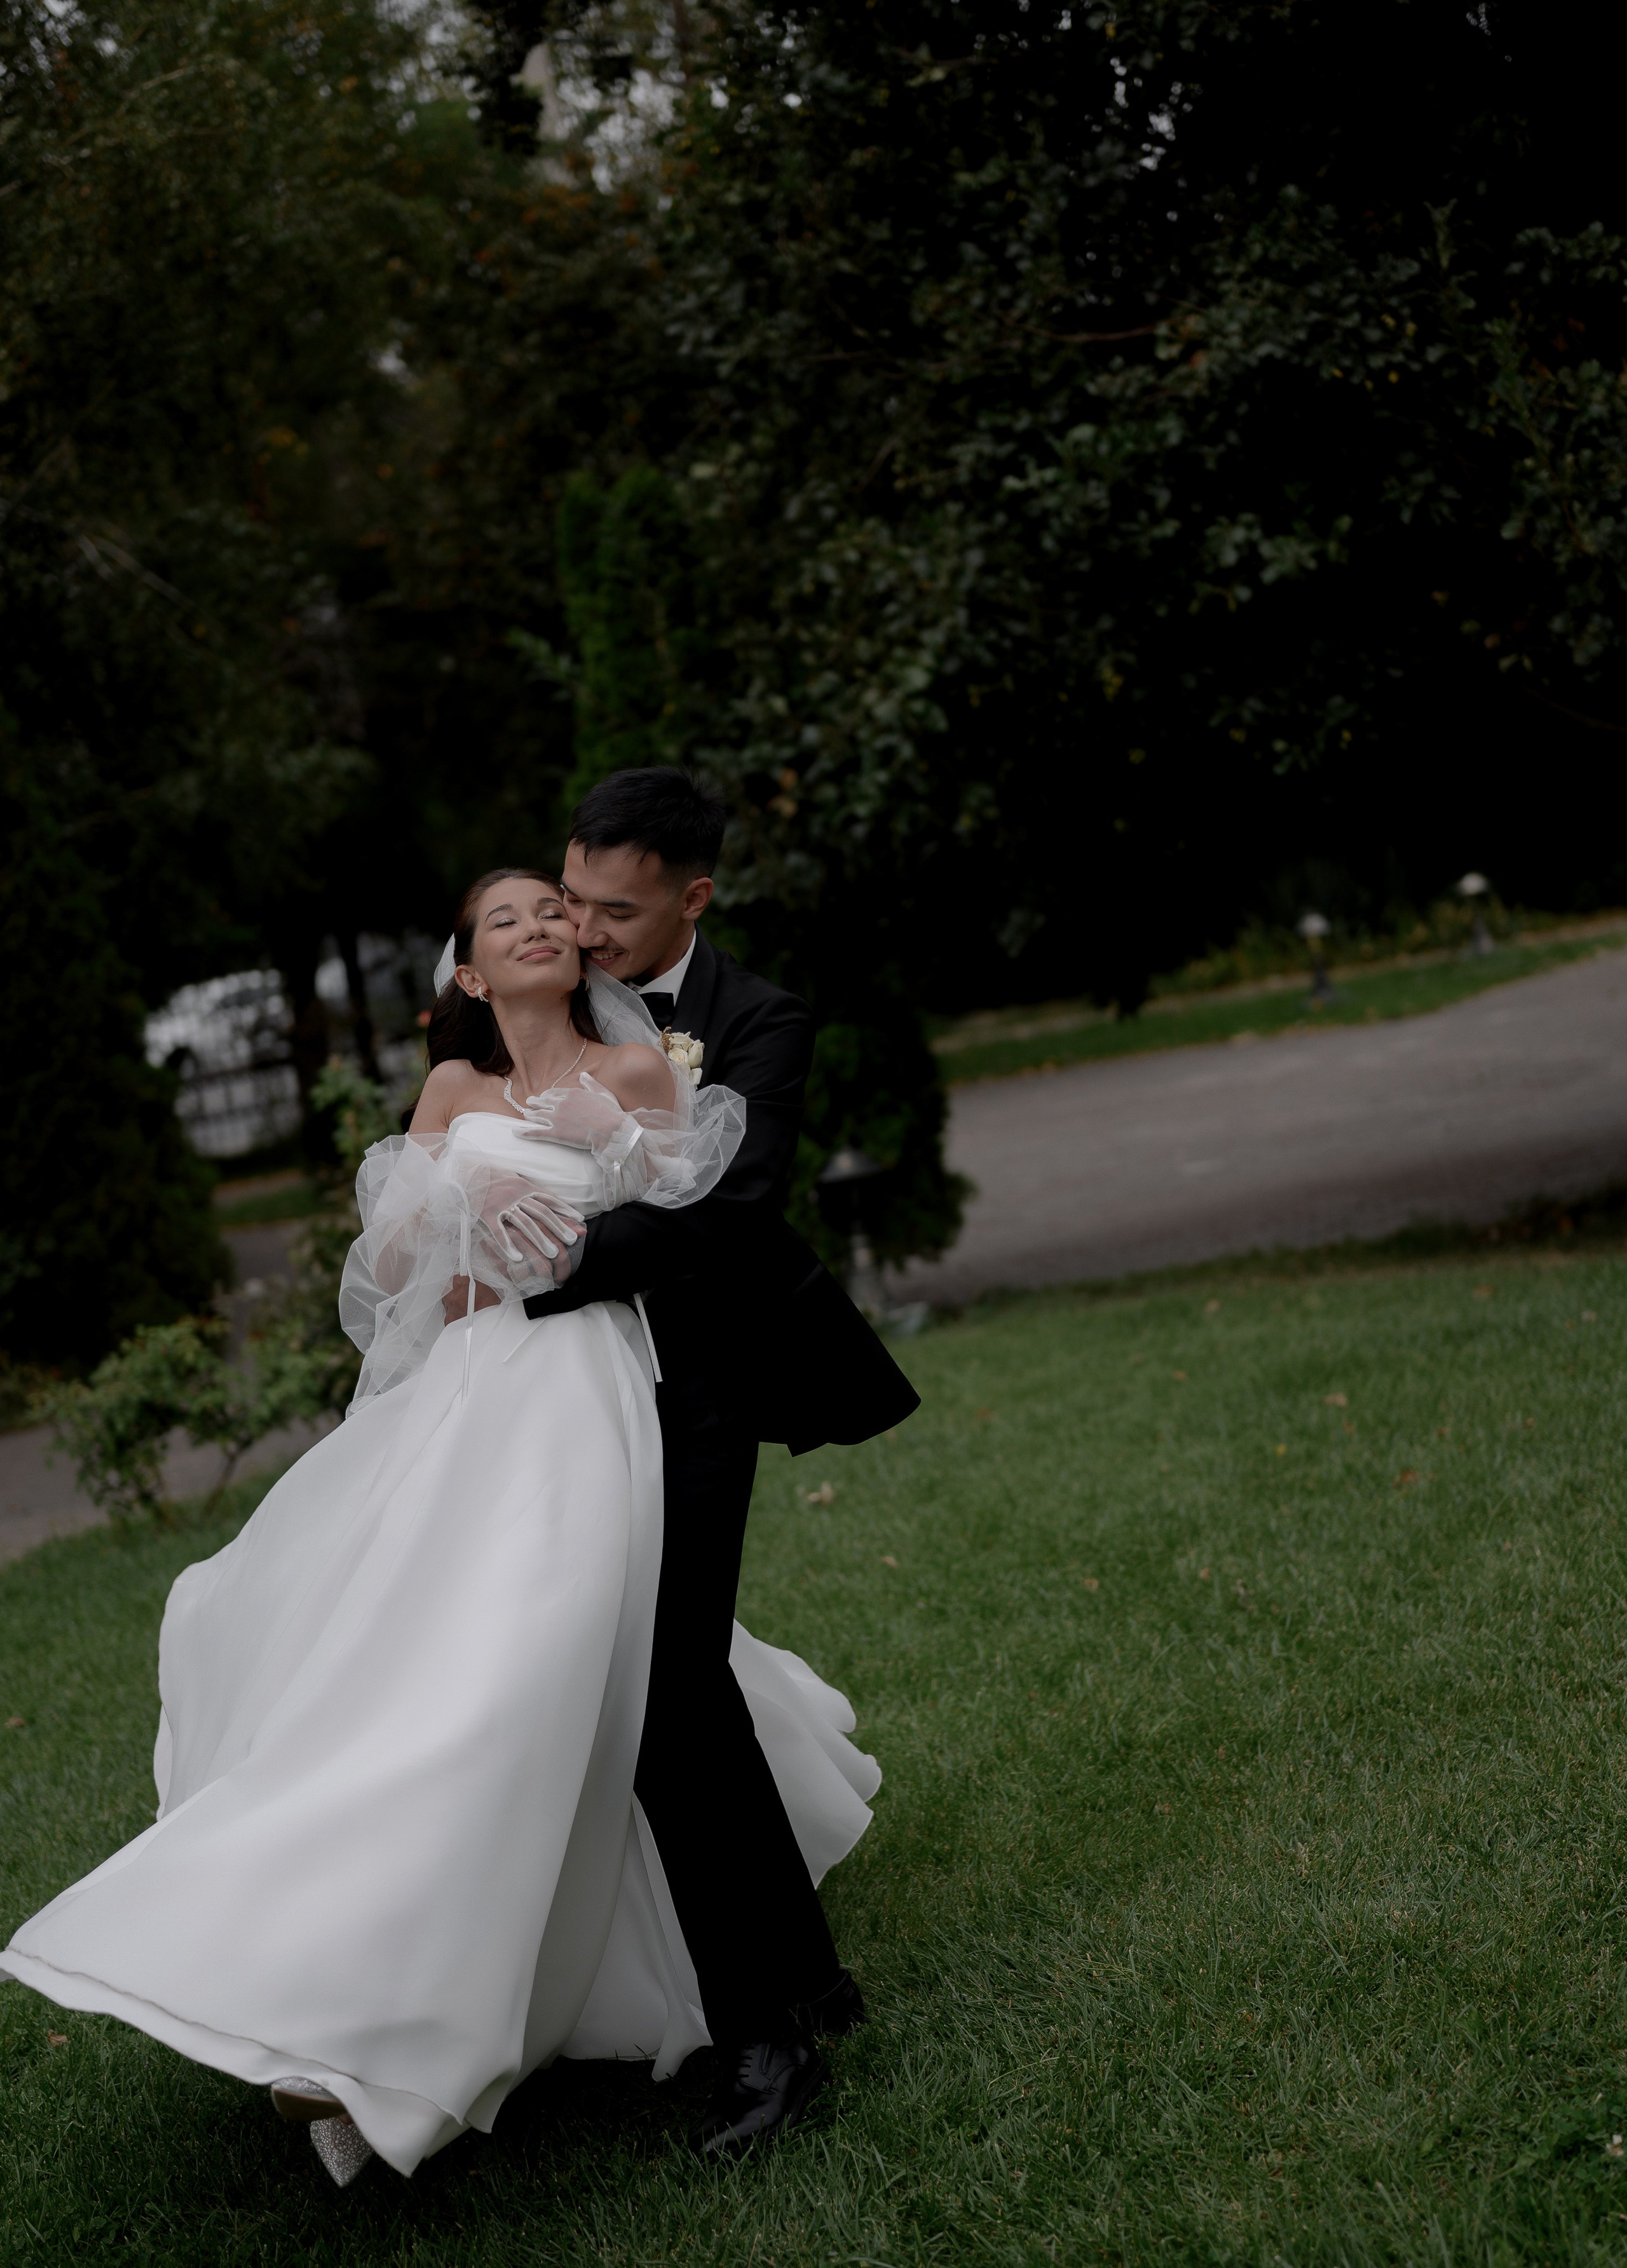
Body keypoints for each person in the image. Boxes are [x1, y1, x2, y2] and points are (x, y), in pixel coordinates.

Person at [0, 869, 888, 2186]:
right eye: (502, 923)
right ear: (467, 977)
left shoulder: (639, 1074)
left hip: (603, 1395)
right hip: (476, 1401)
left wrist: (622, 1150)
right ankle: (348, 2014)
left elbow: (709, 1223)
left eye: (549, 911)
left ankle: (511, 2018)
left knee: (562, 1684)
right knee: (419, 1681)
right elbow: (402, 1283)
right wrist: (458, 1213)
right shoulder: (450, 1100)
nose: (535, 927)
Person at [544, 769, 920, 2155]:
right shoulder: (543, 993)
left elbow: (727, 1208)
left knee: (660, 1706)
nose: (584, 933)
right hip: (549, 1415)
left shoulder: (756, 1021)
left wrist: (540, 1275)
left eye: (618, 913)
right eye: (572, 899)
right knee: (684, 1697)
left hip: (696, 1392)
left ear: (693, 899)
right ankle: (805, 1973)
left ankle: (763, 2043)